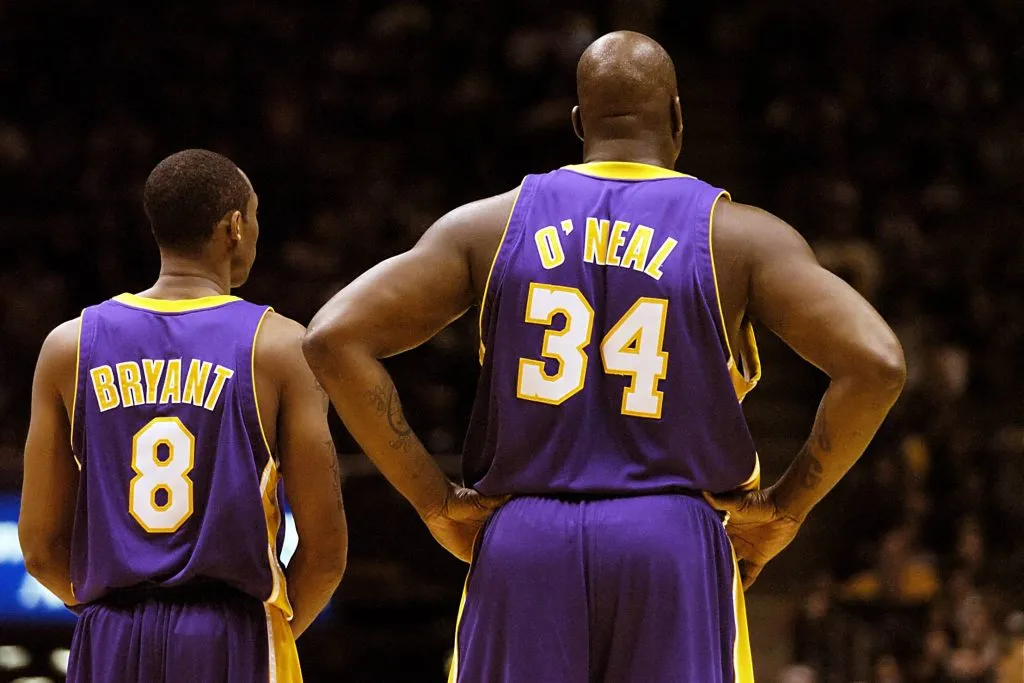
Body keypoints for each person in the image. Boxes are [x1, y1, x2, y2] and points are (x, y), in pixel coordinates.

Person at [303, 31, 906, 682]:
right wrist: (786, 510)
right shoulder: (738, 236)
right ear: (677, 117)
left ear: (577, 123)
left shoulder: (488, 226)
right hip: (672, 539)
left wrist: (434, 499)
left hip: (523, 539)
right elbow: (877, 363)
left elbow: (332, 338)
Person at [19, 149, 347, 682]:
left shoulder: (69, 345)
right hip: (233, 628)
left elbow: (38, 547)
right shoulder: (282, 346)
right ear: (234, 226)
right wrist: (266, 635)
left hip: (110, 631)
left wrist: (112, 620)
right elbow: (326, 554)